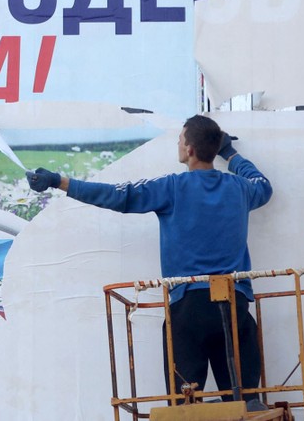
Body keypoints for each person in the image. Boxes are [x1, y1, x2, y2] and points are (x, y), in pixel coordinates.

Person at [26, 114, 272, 405]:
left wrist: (60, 181)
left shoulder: (171, 187)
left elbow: (120, 196)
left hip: (188, 310)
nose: (178, 144)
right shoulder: (240, 188)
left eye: (180, 140)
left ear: (189, 149)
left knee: (185, 409)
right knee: (246, 406)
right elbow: (263, 185)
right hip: (234, 307)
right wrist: (229, 153)